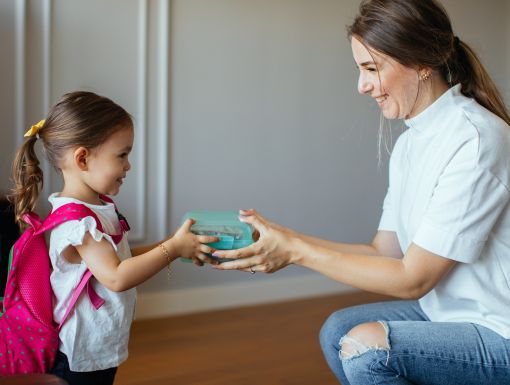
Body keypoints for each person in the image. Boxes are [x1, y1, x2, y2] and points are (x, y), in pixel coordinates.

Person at [212, 0, 510, 383]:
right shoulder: (411, 143)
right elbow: (385, 252)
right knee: (339, 330)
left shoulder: (475, 140)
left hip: (499, 329)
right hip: (449, 314)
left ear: (421, 63)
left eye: (372, 68)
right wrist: (285, 241)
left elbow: (411, 279)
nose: (362, 86)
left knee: (366, 348)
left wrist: (296, 251)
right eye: (360, 70)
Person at [9, 91, 218, 385]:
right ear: (83, 158)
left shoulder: (92, 210)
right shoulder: (78, 224)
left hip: (97, 347)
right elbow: (117, 276)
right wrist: (171, 249)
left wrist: (177, 245)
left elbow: (121, 260)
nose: (128, 166)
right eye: (122, 155)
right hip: (79, 356)